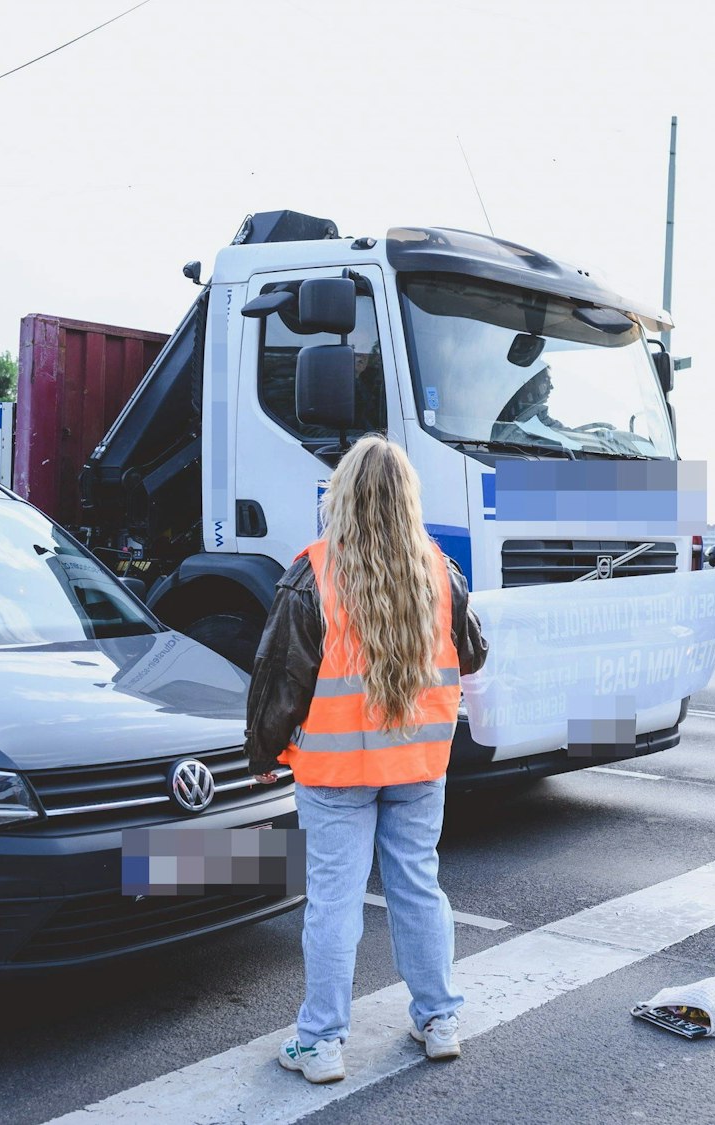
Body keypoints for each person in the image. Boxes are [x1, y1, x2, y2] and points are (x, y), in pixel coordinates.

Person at [245, 436, 489, 1085]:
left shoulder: (313, 573)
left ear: (343, 498)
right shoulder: (438, 570)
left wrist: (264, 751)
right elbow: (475, 653)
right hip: (418, 765)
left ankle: (321, 1041)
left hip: (335, 773)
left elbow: (280, 679)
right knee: (418, 887)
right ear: (408, 499)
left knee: (334, 902)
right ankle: (440, 1019)